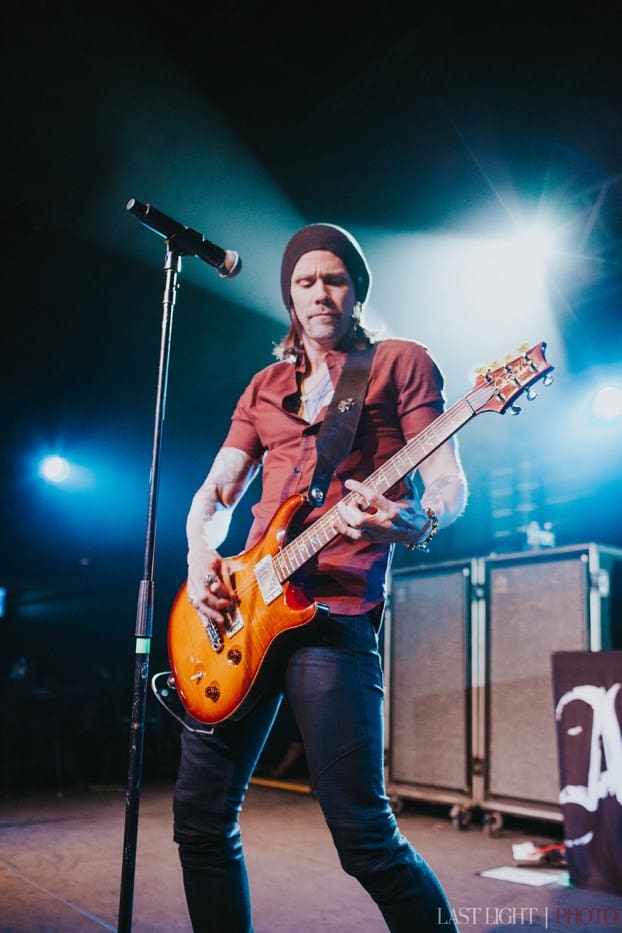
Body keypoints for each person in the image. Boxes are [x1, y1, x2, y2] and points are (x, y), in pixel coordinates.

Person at [173, 222, 468, 932]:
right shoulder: (265, 386)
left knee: (365, 840)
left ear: (356, 291)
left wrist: (415, 520)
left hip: (334, 616)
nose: (319, 292)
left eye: (334, 279)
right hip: (244, 609)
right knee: (200, 821)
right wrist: (199, 554)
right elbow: (217, 495)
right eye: (304, 282)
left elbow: (448, 481)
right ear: (289, 297)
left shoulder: (398, 363)